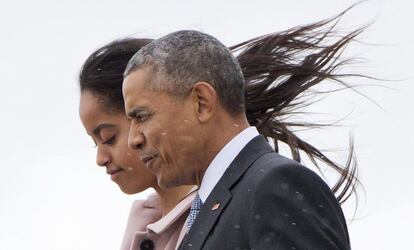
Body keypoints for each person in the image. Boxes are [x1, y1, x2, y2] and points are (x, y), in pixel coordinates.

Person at [80, 10, 362, 249]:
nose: (135, 138)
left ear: (201, 102)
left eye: (141, 116)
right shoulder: (215, 204)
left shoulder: (274, 185)